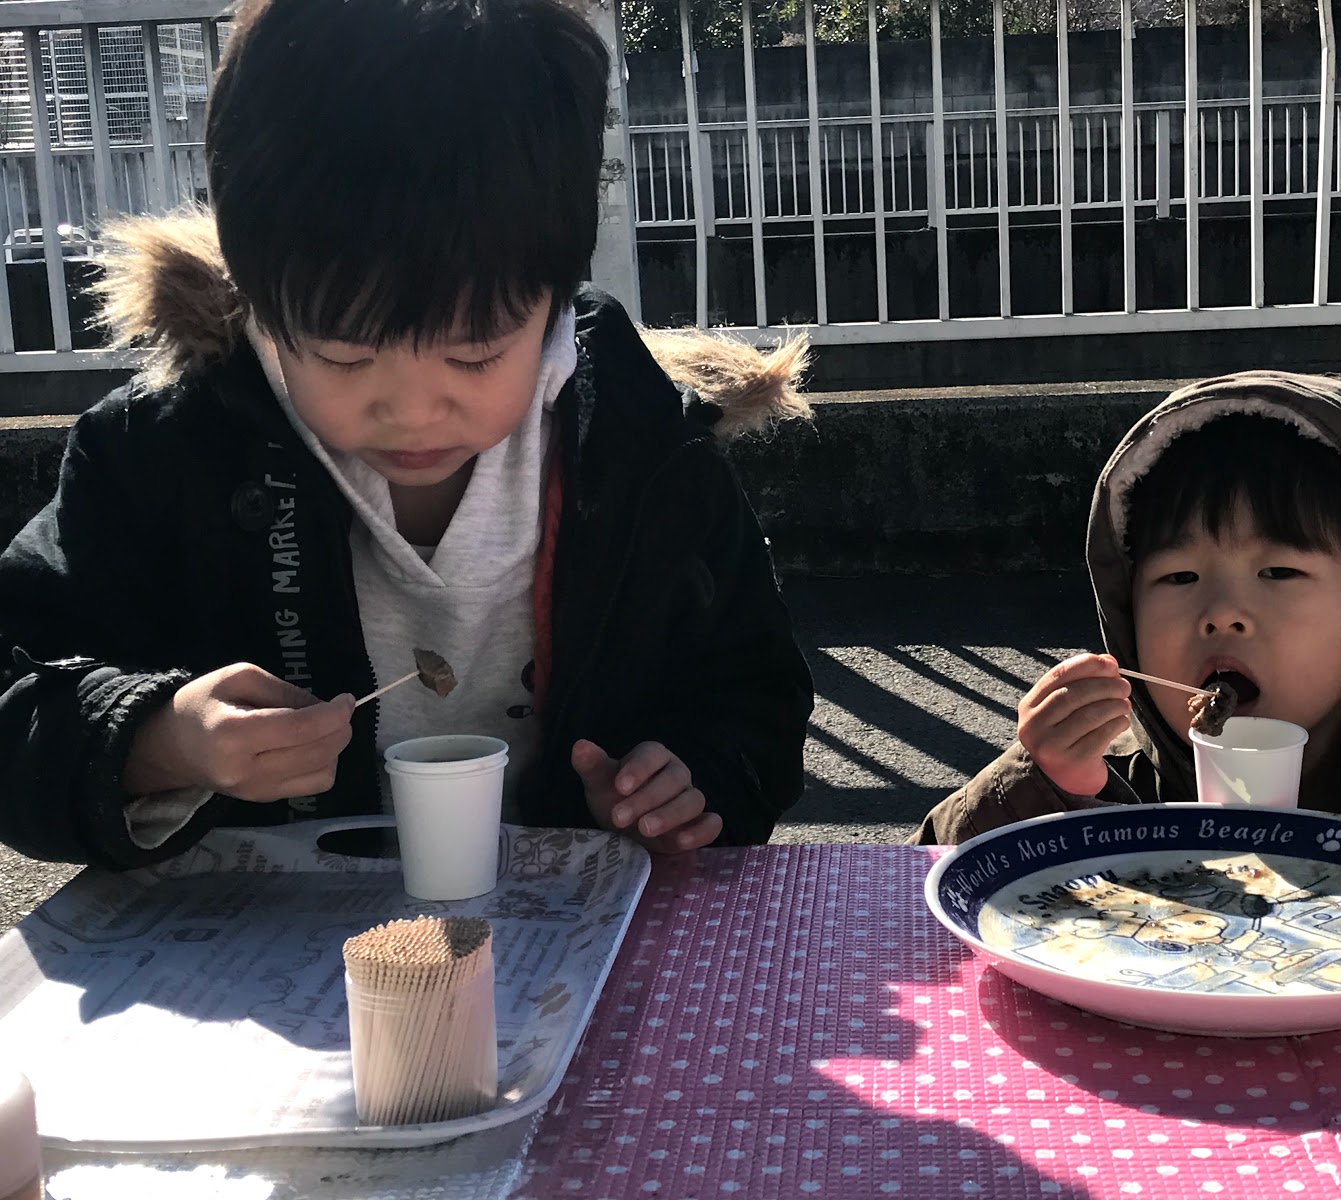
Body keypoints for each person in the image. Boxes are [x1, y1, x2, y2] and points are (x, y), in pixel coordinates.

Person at [0, 0, 814, 870]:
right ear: (260, 297)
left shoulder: (644, 444)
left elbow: (752, 690)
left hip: (572, 923)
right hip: (268, 937)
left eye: (474, 355)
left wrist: (692, 781)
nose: (415, 410)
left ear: (554, 298)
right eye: (345, 357)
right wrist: (160, 742)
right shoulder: (161, 453)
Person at [914, 370, 1341, 843]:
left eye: (1278, 572)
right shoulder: (1097, 790)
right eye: (1180, 577)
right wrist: (1039, 786)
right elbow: (907, 897)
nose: (1222, 613)